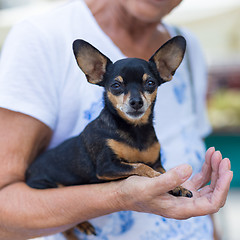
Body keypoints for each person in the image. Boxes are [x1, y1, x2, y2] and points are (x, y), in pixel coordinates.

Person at [0, 0, 233, 239]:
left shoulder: (190, 44)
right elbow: (3, 213)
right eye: (119, 88)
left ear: (165, 70)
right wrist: (123, 195)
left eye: (148, 85)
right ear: (95, 72)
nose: (135, 99)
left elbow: (188, 174)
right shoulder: (41, 37)